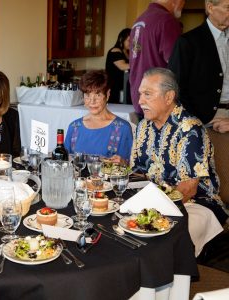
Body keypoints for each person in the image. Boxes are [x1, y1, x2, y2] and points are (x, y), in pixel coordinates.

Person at [131, 67, 228, 255]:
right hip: (153, 201)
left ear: (169, 97)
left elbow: (188, 188)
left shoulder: (190, 129)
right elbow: (137, 173)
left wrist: (152, 209)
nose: (140, 101)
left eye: (148, 94)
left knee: (160, 238)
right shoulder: (143, 125)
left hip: (196, 203)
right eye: (140, 94)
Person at [168, 0, 229, 132]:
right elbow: (175, 88)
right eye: (228, 8)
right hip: (204, 121)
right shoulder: (188, 42)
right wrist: (196, 120)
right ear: (210, 7)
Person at [129, 0, 185, 118]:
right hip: (159, 101)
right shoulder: (166, 20)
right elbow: (176, 63)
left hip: (140, 97)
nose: (183, 5)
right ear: (176, 1)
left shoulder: (139, 20)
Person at [64, 70, 133, 163]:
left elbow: (130, 166)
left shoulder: (122, 128)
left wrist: (123, 163)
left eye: (98, 95)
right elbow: (65, 162)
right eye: (87, 95)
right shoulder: (74, 127)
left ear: (107, 95)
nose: (92, 101)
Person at [105, 28, 131, 104]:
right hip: (115, 87)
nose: (131, 43)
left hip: (124, 86)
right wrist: (140, 65)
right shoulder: (115, 50)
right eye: (129, 40)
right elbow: (123, 66)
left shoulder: (128, 52)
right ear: (121, 39)